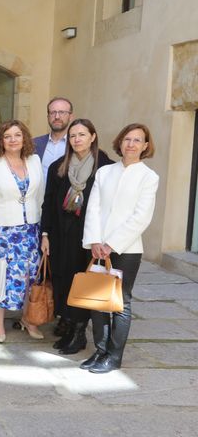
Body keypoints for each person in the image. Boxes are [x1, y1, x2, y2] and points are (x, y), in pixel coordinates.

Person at [80, 123, 158, 374]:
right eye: (127, 139)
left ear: (145, 146)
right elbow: (93, 208)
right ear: (120, 142)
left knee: (120, 303)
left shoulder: (148, 177)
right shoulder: (104, 172)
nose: (131, 144)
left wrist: (111, 244)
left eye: (137, 140)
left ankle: (114, 357)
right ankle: (100, 351)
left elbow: (141, 217)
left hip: (127, 249)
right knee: (97, 301)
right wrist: (94, 241)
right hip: (98, 247)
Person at [40, 119, 113, 355]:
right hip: (62, 236)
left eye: (82, 135)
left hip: (89, 238)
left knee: (84, 284)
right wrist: (46, 233)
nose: (77, 139)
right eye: (72, 136)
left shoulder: (105, 167)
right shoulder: (58, 167)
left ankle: (80, 333)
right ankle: (69, 327)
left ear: (92, 137)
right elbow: (49, 203)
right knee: (63, 281)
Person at [0, 120, 45, 342]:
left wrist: (44, 233)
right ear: (0, 140)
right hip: (3, 231)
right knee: (2, 276)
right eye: (7, 136)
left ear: (24, 138)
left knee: (30, 277)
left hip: (31, 229)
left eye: (17, 135)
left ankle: (28, 319)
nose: (12, 140)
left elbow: (40, 197)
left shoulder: (35, 161)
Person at [34, 97, 74, 177]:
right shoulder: (34, 144)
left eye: (62, 112)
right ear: (48, 116)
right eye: (53, 112)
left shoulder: (76, 144)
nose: (57, 117)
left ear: (71, 117)